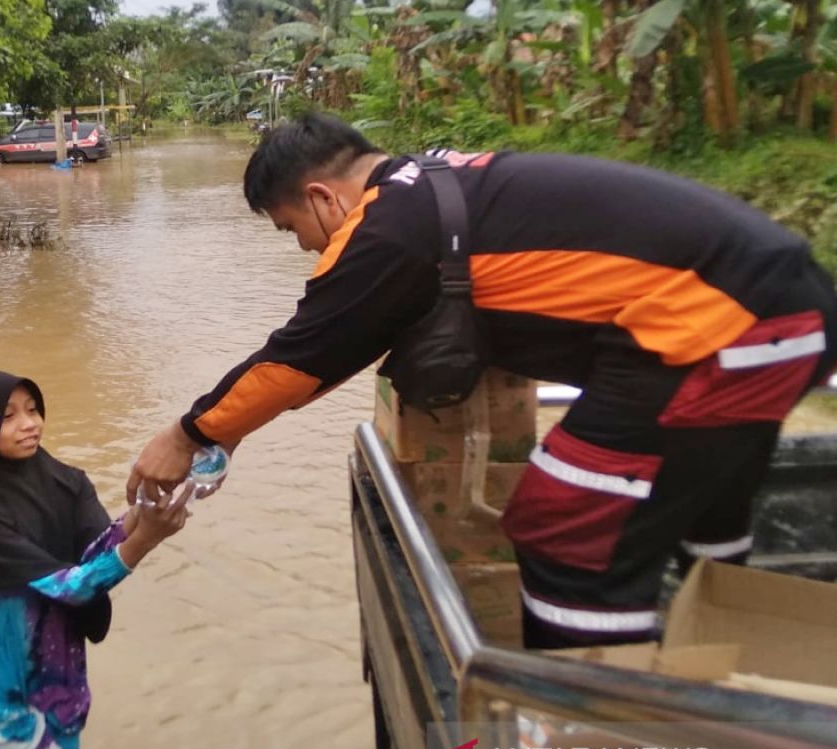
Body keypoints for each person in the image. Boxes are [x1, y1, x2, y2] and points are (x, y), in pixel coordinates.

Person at [127, 112, 837, 649]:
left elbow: (300, 359)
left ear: (321, 198)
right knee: (706, 502)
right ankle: (725, 652)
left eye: (292, 229)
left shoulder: (384, 228)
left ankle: (602, 748)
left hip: (722, 330)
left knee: (562, 526)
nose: (307, 246)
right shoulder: (434, 182)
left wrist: (189, 434)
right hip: (771, 308)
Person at [0, 369, 191, 749]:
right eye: (9, 416)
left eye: (33, 409)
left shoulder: (66, 482)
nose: (30, 423)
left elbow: (94, 554)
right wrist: (146, 539)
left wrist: (144, 511)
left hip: (59, 674)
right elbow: (71, 586)